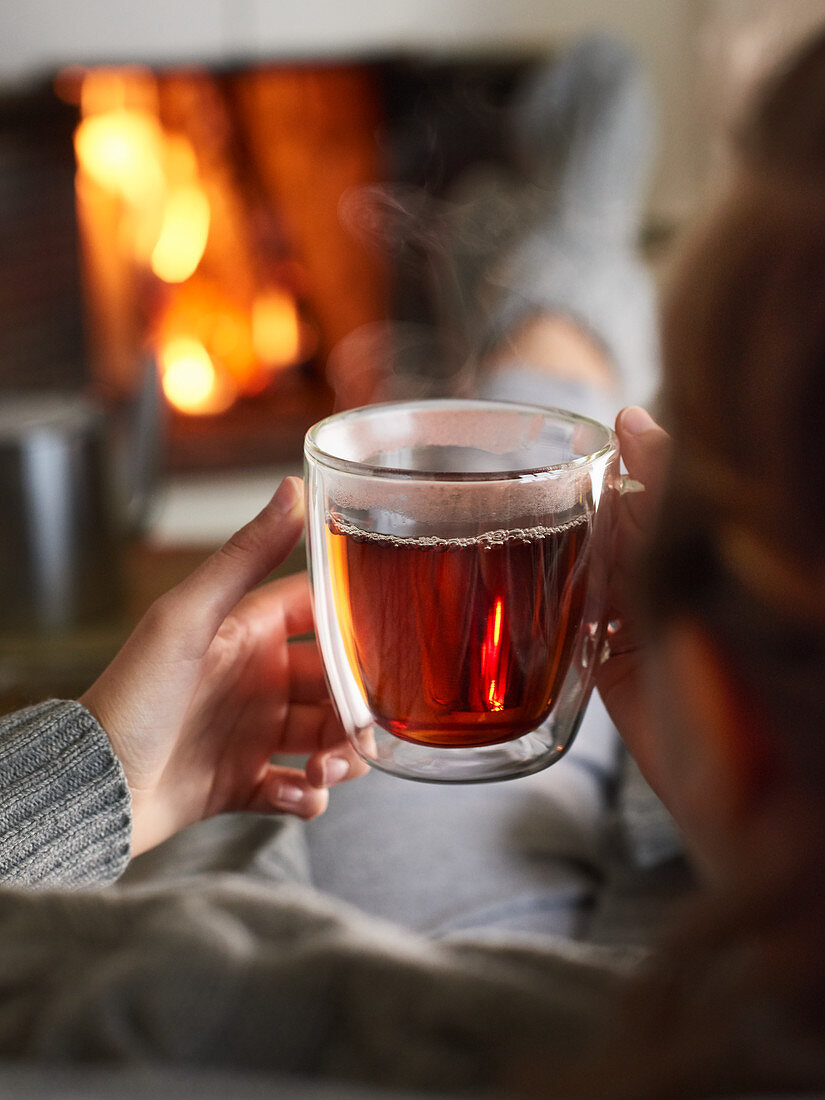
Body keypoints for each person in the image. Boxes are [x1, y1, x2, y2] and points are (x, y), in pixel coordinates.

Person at [2, 27, 825, 1100]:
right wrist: (750, 843)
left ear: (735, 699)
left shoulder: (216, 1005)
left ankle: (559, 286)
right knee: (537, 443)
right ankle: (566, 280)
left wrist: (99, 777)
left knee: (534, 408)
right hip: (708, 870)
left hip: (460, 902)